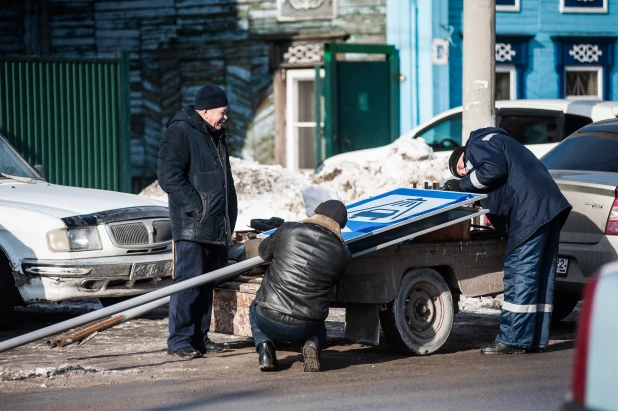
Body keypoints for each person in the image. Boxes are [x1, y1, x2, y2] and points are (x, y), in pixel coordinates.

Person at [445, 127, 571, 355]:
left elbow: (493, 170)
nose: (463, 172)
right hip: (548, 208)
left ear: (463, 154)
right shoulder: (499, 141)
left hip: (530, 213)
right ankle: (534, 339)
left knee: (519, 274)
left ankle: (513, 340)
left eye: (460, 167)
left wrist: (460, 186)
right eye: (460, 174)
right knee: (539, 277)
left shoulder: (478, 144)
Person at [157, 85, 238, 359]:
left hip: (216, 224)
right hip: (193, 225)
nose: (225, 117)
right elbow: (168, 176)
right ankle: (179, 340)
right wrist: (198, 208)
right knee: (188, 283)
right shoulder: (179, 132)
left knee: (206, 284)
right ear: (205, 111)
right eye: (222, 112)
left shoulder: (214, 135)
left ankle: (199, 338)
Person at [249, 200, 352, 372]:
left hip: (268, 317)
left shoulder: (288, 229)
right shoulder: (343, 254)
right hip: (306, 326)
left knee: (254, 308)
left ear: (316, 213)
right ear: (340, 225)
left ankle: (265, 349)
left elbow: (263, 253)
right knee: (319, 328)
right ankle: (311, 344)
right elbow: (333, 285)